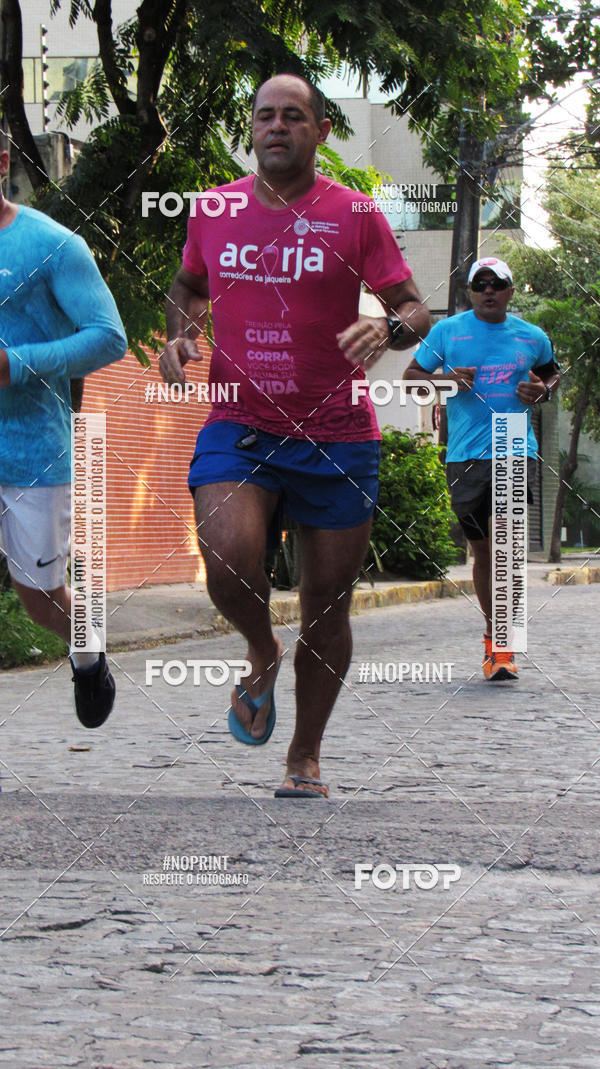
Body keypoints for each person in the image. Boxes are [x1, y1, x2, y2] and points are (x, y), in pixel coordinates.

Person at [160, 73, 430, 798]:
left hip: (337, 435)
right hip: (240, 422)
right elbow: (187, 288)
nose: (276, 127)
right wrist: (179, 337)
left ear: (319, 132)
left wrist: (388, 325)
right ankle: (260, 648)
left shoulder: (354, 214)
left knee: (327, 605)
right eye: (264, 116)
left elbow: (414, 307)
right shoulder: (214, 210)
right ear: (251, 129)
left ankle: (304, 755)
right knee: (226, 557)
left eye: (293, 116)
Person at [0, 139, 128, 725]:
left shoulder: (52, 245)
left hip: (31, 455)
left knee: (39, 599)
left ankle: (88, 651)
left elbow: (108, 336)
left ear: (3, 163)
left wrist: (17, 363)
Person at [404, 256, 559, 681]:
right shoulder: (448, 331)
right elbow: (411, 376)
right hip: (465, 453)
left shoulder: (532, 336)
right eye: (480, 283)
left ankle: (503, 648)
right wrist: (447, 380)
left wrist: (541, 390)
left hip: (513, 442)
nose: (488, 290)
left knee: (504, 546)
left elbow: (551, 374)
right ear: (471, 292)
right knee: (483, 550)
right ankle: (494, 633)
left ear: (510, 291)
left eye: (497, 283)